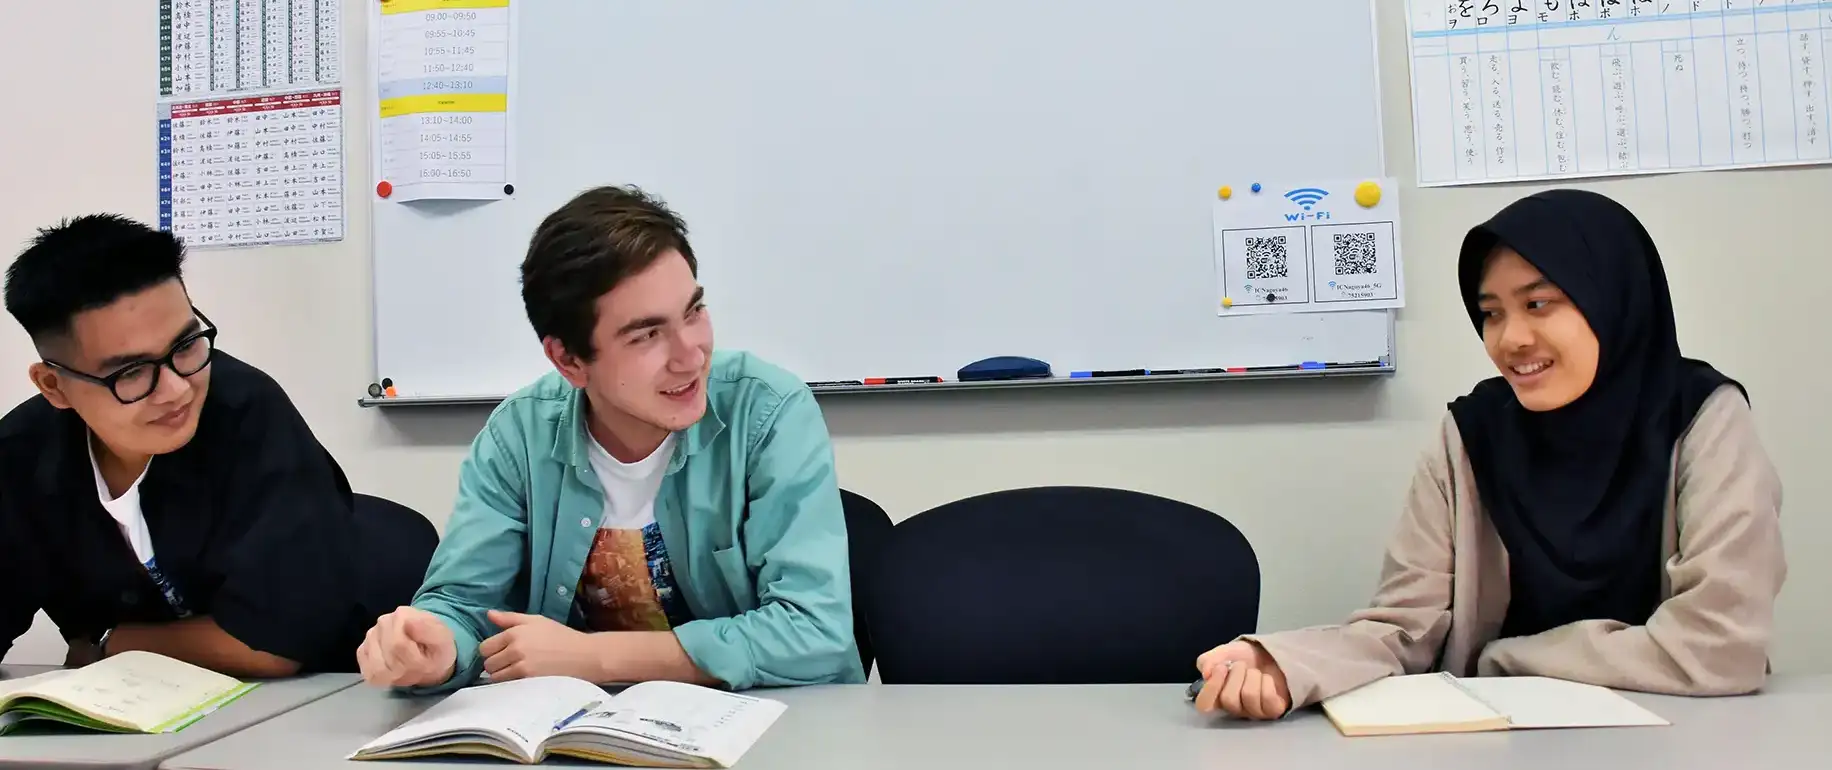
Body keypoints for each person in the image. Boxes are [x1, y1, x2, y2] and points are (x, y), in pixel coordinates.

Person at [1191, 189, 1786, 720]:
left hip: (1686, 741)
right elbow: (1406, 627)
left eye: (1539, 303)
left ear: (1613, 299)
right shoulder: (1470, 435)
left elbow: (1719, 648)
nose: (1511, 339)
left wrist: (1508, 659)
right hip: (1493, 740)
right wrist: (1283, 664)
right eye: (1491, 313)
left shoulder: (1702, 418)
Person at [356, 185, 863, 692]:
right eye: (646, 335)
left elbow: (815, 632)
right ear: (569, 361)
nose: (691, 355)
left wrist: (595, 657)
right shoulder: (519, 437)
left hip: (768, 732)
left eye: (693, 312)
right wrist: (435, 649)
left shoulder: (767, 411)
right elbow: (463, 608)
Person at [0, 214, 384, 676]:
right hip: (139, 719)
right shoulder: (20, 456)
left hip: (329, 693)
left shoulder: (246, 411)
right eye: (131, 372)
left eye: (185, 345)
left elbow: (277, 646)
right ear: (54, 386)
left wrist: (116, 643)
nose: (177, 389)